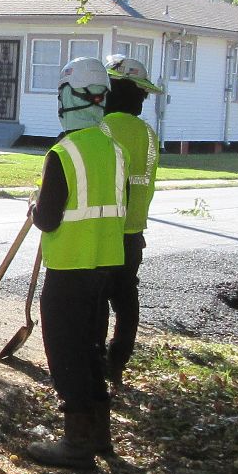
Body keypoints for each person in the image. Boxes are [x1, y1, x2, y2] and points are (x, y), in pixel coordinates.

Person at [25, 57, 128, 468]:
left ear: (68, 97)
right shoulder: (113, 149)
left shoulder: (63, 153)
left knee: (66, 353)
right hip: (104, 268)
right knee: (91, 349)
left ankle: (77, 441)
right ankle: (100, 433)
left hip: (69, 269)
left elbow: (49, 218)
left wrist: (35, 209)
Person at [99, 54, 163, 392]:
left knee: (95, 303)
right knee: (126, 302)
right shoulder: (149, 134)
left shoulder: (100, 129)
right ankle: (117, 363)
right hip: (133, 233)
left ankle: (93, 364)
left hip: (101, 232)